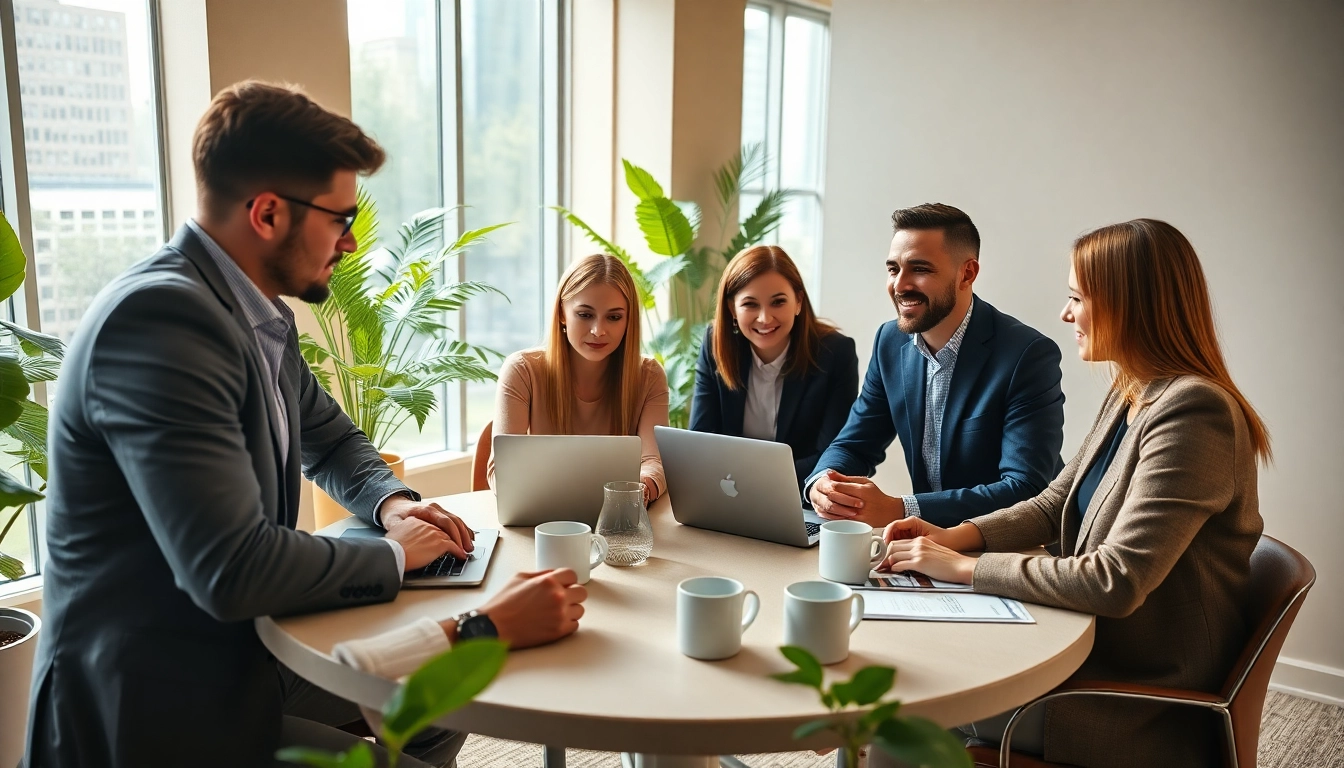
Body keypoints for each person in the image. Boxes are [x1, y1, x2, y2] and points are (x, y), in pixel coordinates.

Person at [25, 81, 586, 768]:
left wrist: (395, 506)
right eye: (340, 219)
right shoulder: (162, 324)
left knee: (435, 710)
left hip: (240, 650)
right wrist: (398, 561)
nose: (351, 243)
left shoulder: (258, 315)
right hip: (156, 704)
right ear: (266, 213)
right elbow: (232, 568)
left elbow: (332, 439)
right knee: (435, 689)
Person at [873, 219, 1268, 767]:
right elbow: (1054, 502)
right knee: (912, 671)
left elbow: (1115, 581)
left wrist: (962, 568)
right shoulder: (1133, 391)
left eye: (1077, 298)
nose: (1066, 314)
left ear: (1131, 305)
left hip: (1131, 694)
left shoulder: (1194, 413)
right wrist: (953, 537)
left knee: (899, 719)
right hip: (1082, 649)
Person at [807, 203, 1066, 529]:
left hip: (1013, 547)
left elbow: (1026, 489)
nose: (900, 285)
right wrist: (822, 483)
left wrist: (900, 510)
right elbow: (854, 444)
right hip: (929, 544)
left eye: (920, 269)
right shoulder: (889, 341)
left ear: (967, 273)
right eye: (893, 269)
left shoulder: (1027, 355)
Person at [489, 253, 670, 503]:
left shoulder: (649, 376)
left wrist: (641, 489)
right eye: (585, 315)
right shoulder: (522, 371)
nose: (599, 331)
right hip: (546, 521)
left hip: (620, 517)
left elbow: (654, 463)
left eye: (614, 317)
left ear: (628, 321)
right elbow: (501, 473)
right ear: (562, 313)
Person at [689, 244, 858, 492]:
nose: (765, 318)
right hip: (728, 495)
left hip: (800, 496)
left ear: (798, 302)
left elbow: (832, 455)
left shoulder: (834, 353)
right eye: (750, 304)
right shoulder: (715, 345)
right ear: (731, 309)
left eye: (778, 302)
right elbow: (700, 442)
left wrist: (752, 479)